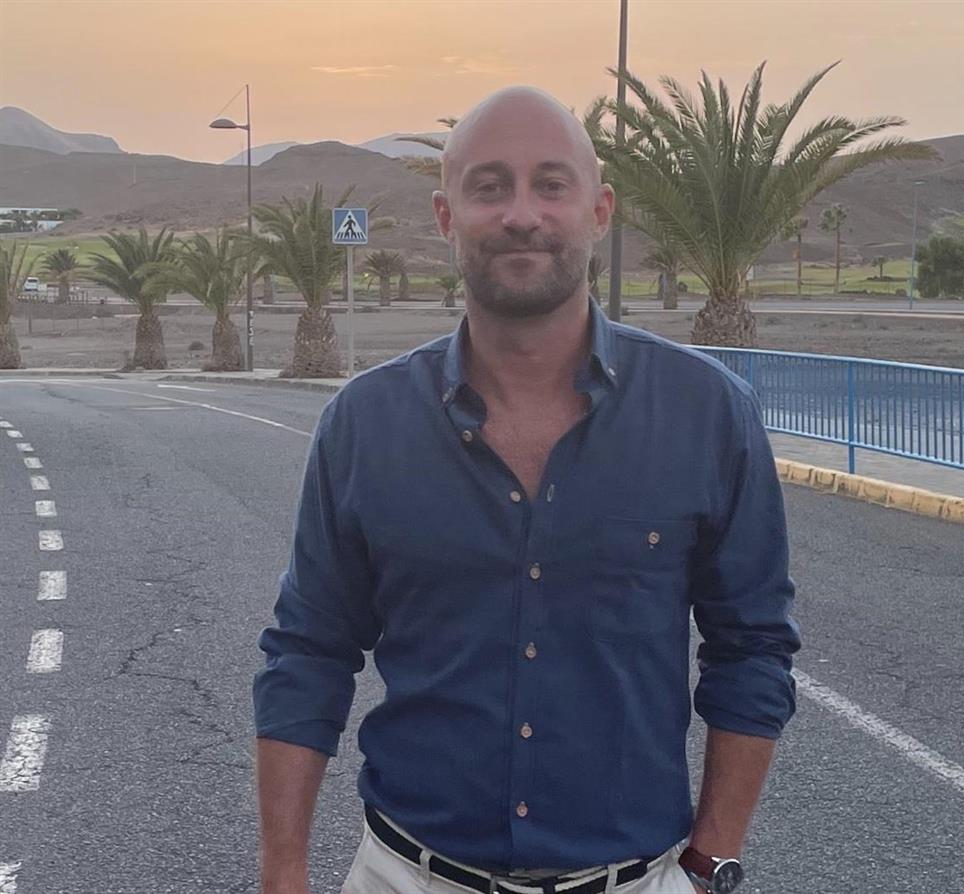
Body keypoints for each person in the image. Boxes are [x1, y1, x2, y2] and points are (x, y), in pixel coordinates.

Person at [253, 86, 801, 894]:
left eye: (551, 184)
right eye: (489, 186)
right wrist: (283, 873)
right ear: (446, 217)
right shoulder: (364, 424)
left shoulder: (708, 413)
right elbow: (309, 651)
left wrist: (708, 862)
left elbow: (752, 647)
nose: (520, 214)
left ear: (599, 210)